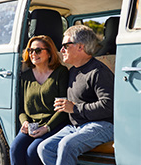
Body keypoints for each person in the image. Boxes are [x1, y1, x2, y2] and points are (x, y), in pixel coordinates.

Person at [37, 25, 114, 165]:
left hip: (102, 125)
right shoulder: (73, 71)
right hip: (75, 126)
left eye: (66, 45)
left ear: (80, 47)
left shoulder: (99, 72)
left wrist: (75, 108)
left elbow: (108, 106)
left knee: (67, 144)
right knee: (44, 148)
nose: (61, 50)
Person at [10, 35, 69, 165]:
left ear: (49, 53)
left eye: (37, 50)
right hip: (32, 125)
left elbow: (63, 108)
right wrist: (24, 122)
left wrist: (47, 128)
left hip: (54, 124)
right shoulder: (25, 77)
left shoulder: (61, 72)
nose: (33, 54)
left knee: (32, 152)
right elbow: (21, 108)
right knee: (15, 149)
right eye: (30, 50)